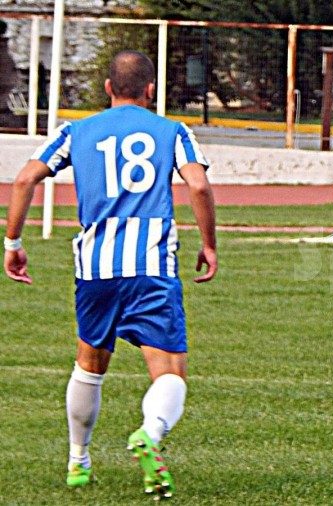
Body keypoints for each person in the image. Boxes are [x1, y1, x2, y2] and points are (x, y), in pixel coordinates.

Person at [3, 50, 217, 498]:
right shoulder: (173, 131)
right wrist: (209, 244)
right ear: (151, 89)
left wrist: (13, 244)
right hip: (151, 265)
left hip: (95, 267)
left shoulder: (75, 130)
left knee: (89, 364)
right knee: (169, 372)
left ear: (107, 88)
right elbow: (197, 185)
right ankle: (149, 434)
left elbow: (23, 180)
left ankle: (78, 461)